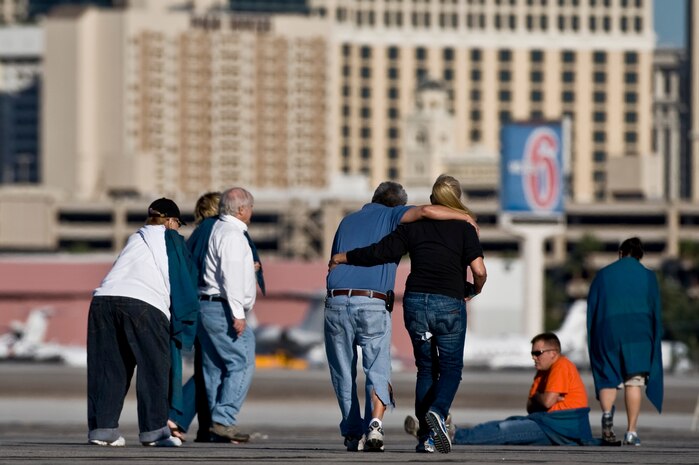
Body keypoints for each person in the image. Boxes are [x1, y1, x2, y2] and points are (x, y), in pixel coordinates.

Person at [330, 174, 487, 454]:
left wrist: (345, 257)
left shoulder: (407, 229)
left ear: (431, 199)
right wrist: (474, 290)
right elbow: (479, 271)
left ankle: (423, 437)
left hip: (412, 303)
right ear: (456, 201)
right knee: (449, 368)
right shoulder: (463, 228)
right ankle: (435, 414)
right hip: (447, 303)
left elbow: (380, 251)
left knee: (425, 368)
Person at [87, 198, 199, 447]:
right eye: (178, 223)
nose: (178, 228)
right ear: (170, 221)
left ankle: (102, 430)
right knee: (154, 369)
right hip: (145, 304)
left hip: (103, 301)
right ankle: (154, 432)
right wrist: (185, 322)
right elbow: (185, 280)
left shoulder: (135, 239)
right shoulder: (172, 239)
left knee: (109, 369)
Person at [449, 333, 594, 446]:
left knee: (505, 430)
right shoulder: (542, 372)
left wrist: (541, 398)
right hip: (547, 424)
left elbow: (546, 402)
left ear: (553, 353)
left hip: (560, 428)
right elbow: (531, 407)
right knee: (498, 424)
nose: (534, 357)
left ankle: (454, 436)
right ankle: (455, 432)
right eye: (532, 353)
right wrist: (541, 396)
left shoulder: (561, 365)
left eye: (538, 353)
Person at [587, 237, 663, 446]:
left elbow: (592, 308)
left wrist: (594, 337)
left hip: (607, 332)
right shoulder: (648, 277)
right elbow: (655, 310)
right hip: (638, 336)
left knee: (608, 378)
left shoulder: (603, 275)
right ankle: (631, 432)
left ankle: (606, 414)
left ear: (621, 253)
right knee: (634, 382)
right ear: (640, 256)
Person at [197, 187, 258, 443]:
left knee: (214, 369)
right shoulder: (233, 235)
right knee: (241, 362)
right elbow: (230, 278)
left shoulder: (219, 230)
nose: (252, 212)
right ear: (242, 209)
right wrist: (238, 314)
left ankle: (215, 425)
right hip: (222, 307)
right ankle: (224, 419)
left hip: (206, 306)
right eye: (251, 208)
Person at [168, 191, 221, 442]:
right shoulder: (215, 230)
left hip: (194, 305)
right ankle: (178, 417)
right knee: (212, 369)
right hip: (208, 306)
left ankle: (204, 426)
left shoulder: (198, 233)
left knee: (208, 368)